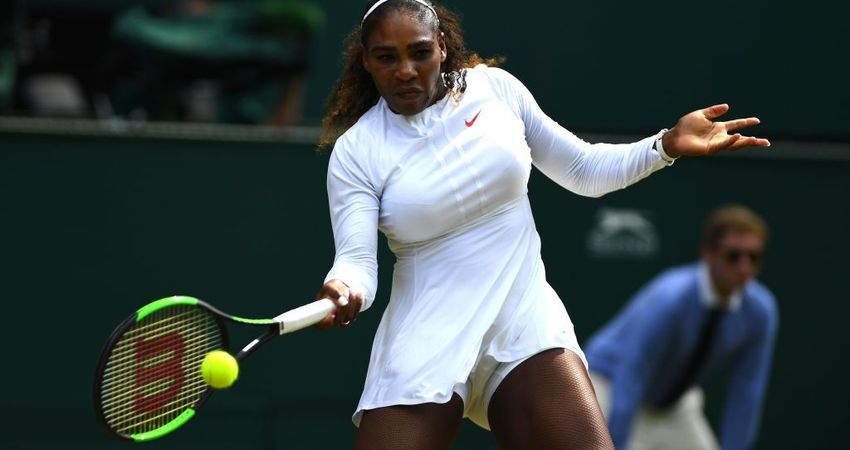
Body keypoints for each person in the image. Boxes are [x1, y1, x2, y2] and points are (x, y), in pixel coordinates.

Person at [309, 1, 771, 449]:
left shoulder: (496, 90)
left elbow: (584, 170)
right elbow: (356, 263)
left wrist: (665, 145)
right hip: (426, 334)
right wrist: (342, 290)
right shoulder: (356, 153)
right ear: (366, 61)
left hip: (522, 319)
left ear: (443, 46)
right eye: (387, 57)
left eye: (419, 52)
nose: (406, 70)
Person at [584, 205, 778, 450]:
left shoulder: (761, 311)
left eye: (754, 257)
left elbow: (747, 391)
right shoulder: (670, 299)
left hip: (675, 404)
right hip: (612, 385)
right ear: (708, 254)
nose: (744, 268)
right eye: (733, 256)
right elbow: (632, 371)